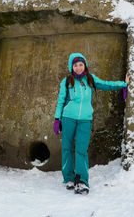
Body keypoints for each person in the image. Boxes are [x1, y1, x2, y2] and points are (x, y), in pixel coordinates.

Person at [53, 52, 129, 195]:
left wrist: (123, 84)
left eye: (81, 64)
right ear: (72, 67)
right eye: (75, 65)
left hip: (85, 120)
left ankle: (82, 181)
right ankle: (68, 178)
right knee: (67, 148)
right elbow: (61, 100)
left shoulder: (90, 79)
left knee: (82, 150)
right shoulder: (67, 81)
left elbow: (107, 85)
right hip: (68, 118)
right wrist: (57, 119)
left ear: (85, 65)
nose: (78, 67)